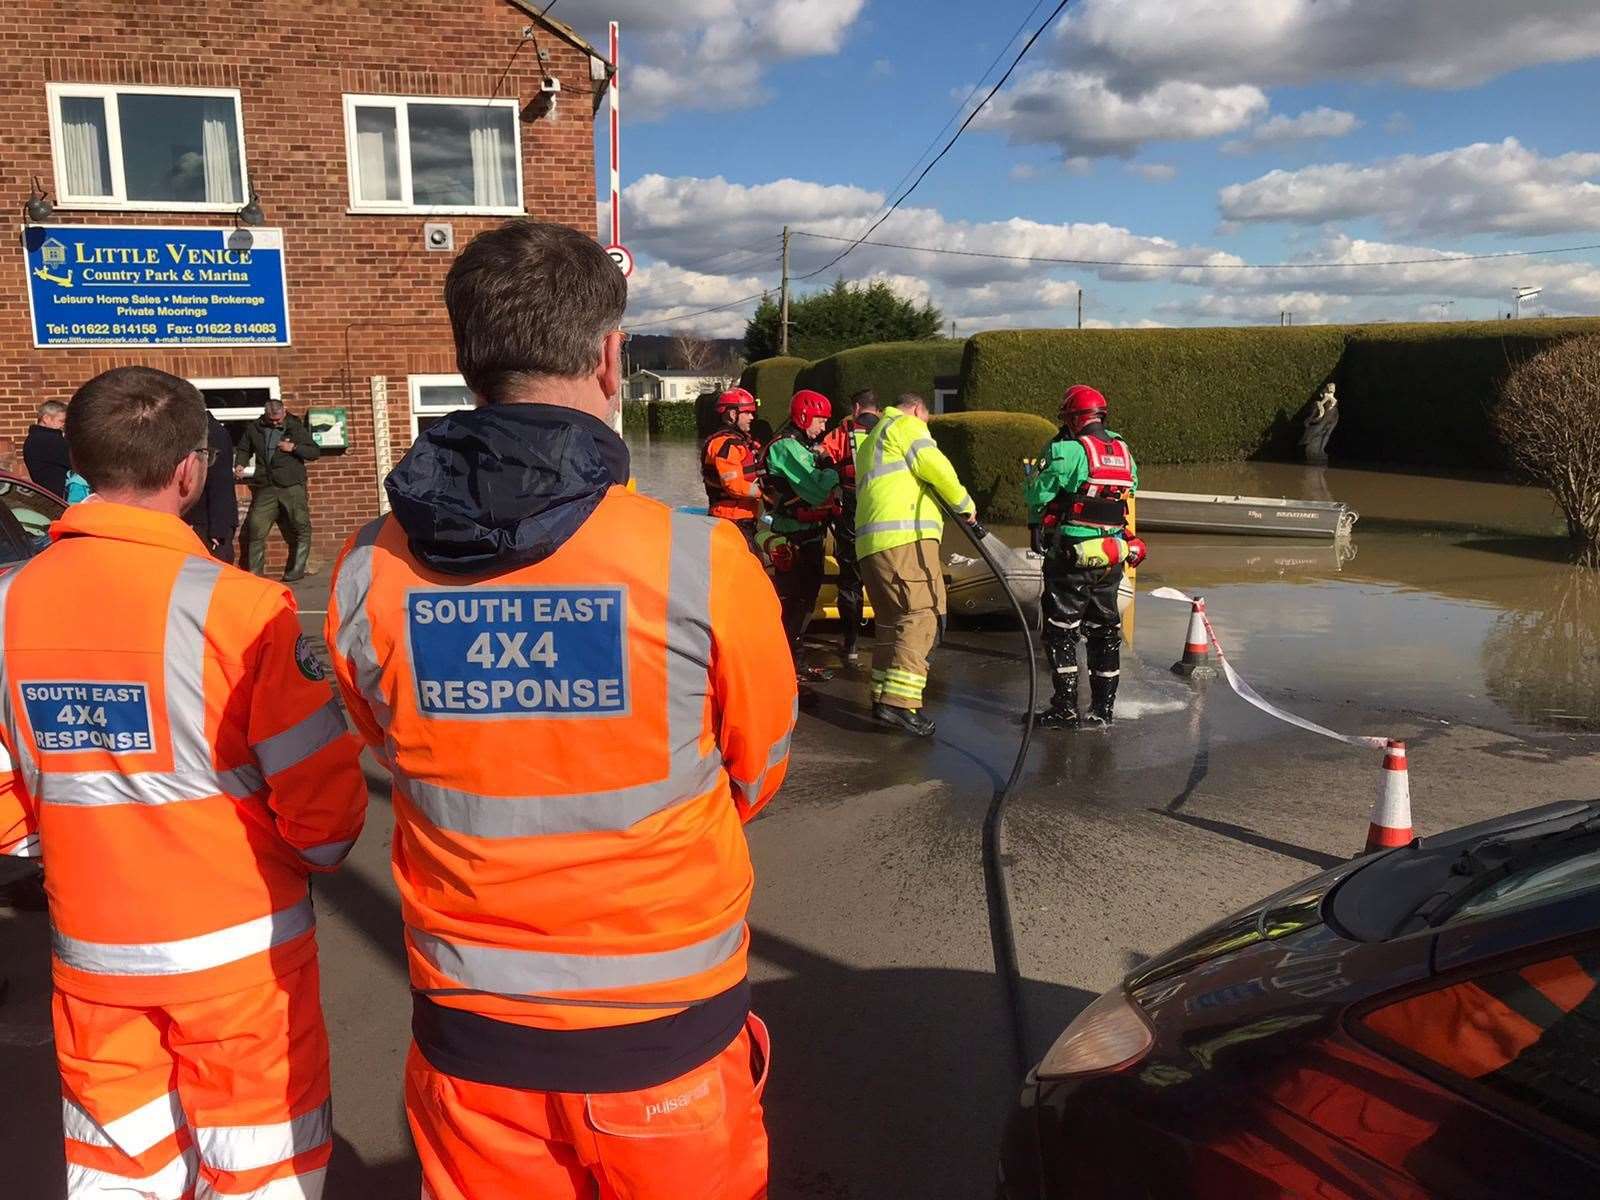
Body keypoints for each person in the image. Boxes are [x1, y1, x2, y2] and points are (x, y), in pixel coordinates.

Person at [324, 220, 795, 1200]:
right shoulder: (701, 563)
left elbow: (387, 740)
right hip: (664, 1039)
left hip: (472, 1035)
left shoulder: (369, 566)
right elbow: (756, 769)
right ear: (610, 356)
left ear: (468, 362)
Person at [0, 365, 367, 1200]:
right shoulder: (246, 610)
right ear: (190, 471)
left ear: (79, 464)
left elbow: (7, 805)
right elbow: (326, 816)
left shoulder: (8, 603)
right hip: (242, 960)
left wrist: (71, 840)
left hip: (93, 955)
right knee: (262, 1170)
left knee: (115, 1170)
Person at [853, 393, 976, 737]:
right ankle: (900, 704)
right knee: (922, 615)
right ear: (920, 410)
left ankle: (882, 697)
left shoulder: (872, 440)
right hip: (904, 539)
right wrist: (965, 503)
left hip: (872, 544)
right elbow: (936, 466)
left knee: (893, 622)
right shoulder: (906, 425)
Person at [1025, 384, 1145, 730]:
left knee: (1062, 630)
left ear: (1075, 419)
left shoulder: (1068, 450)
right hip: (1111, 555)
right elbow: (1130, 487)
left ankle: (1064, 707)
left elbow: (1038, 490)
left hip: (1072, 553)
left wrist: (1036, 518)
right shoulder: (1123, 451)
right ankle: (1102, 711)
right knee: (1105, 630)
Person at [761, 389, 842, 684]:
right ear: (804, 416)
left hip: (809, 534)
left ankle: (794, 660)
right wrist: (831, 471)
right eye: (820, 421)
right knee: (795, 602)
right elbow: (818, 489)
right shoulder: (786, 448)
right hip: (792, 537)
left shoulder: (802, 447)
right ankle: (784, 663)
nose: (823, 428)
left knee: (805, 602)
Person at [817, 389, 882, 663]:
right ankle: (888, 639)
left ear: (856, 408)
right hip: (883, 514)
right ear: (877, 409)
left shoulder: (843, 432)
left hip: (851, 514)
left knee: (850, 579)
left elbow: (822, 454)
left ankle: (851, 643)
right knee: (883, 576)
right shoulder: (890, 430)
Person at [235, 397, 321, 581]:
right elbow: (243, 449)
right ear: (266, 415)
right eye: (272, 420)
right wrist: (240, 464)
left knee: (301, 525)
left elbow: (314, 452)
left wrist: (294, 447)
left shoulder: (295, 427)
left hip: (291, 484)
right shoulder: (255, 428)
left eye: (279, 418)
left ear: (284, 411)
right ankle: (255, 574)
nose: (276, 422)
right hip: (266, 485)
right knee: (256, 527)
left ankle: (296, 570)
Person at [701, 386, 763, 546]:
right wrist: (765, 492)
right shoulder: (725, 444)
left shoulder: (740, 443)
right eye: (747, 413)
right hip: (731, 519)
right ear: (732, 414)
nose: (751, 417)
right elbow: (733, 486)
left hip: (742, 518)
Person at [187, 411, 239, 562]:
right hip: (203, 520)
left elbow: (220, 483)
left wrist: (219, 529)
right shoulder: (203, 432)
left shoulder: (212, 435)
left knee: (211, 573)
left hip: (209, 523)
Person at [23, 399, 71, 498]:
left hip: (49, 496)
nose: (63, 425)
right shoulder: (49, 439)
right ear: (46, 418)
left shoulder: (34, 438)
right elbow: (78, 462)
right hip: (60, 498)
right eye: (61, 421)